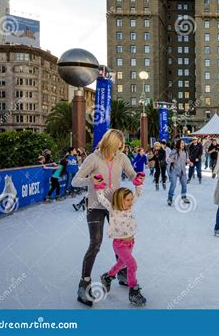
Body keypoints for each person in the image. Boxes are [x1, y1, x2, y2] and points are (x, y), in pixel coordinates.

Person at [71, 129, 142, 307]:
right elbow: (75, 180)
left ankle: (122, 272)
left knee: (122, 241)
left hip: (115, 207)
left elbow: (132, 173)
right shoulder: (93, 158)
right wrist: (91, 181)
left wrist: (137, 179)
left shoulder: (121, 157)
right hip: (95, 205)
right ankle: (84, 283)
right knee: (96, 242)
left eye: (120, 147)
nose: (118, 151)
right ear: (108, 144)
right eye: (116, 147)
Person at [97, 182, 147, 306]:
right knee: (132, 265)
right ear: (119, 200)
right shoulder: (113, 210)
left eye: (131, 199)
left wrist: (139, 184)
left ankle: (108, 276)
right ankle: (133, 292)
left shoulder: (129, 207)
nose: (131, 202)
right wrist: (99, 188)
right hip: (119, 244)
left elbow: (138, 194)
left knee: (122, 263)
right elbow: (102, 199)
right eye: (128, 200)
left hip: (131, 243)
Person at [167, 139, 192, 206]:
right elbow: (168, 159)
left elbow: (187, 160)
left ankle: (184, 197)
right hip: (174, 170)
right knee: (173, 184)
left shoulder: (186, 152)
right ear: (178, 144)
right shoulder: (174, 151)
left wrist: (190, 162)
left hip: (182, 171)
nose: (183, 144)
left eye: (183, 143)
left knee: (184, 185)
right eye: (181, 143)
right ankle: (170, 199)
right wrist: (170, 160)